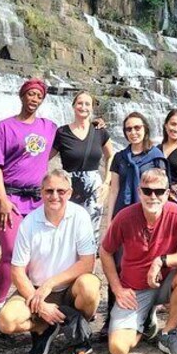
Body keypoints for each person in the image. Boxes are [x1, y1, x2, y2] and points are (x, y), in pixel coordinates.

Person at [0, 169, 101, 354]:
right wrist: (39, 304)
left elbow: (87, 263)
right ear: (41, 192)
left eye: (61, 191)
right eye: (49, 191)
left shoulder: (80, 216)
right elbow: (17, 270)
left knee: (90, 286)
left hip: (69, 288)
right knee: (6, 322)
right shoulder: (29, 223)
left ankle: (75, 324)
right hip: (36, 290)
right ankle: (44, 327)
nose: (55, 196)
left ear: (69, 193)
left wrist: (51, 283)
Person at [100, 168, 177, 354]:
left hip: (164, 283)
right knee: (117, 348)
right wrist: (117, 289)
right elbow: (105, 251)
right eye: (147, 191)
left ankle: (168, 332)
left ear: (167, 193)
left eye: (159, 191)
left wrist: (162, 261)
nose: (152, 196)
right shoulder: (124, 217)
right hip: (134, 290)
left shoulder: (176, 213)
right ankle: (146, 320)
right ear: (139, 192)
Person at [0, 78, 58, 337]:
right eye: (30, 94)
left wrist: (96, 127)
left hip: (37, 201)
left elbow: (73, 138)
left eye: (38, 95)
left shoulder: (49, 127)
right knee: (11, 253)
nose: (34, 98)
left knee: (35, 254)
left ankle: (27, 303)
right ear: (22, 96)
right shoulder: (4, 127)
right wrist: (2, 199)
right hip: (10, 200)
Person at [100, 111, 170, 338]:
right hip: (124, 215)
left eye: (137, 128)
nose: (133, 132)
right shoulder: (120, 157)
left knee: (145, 262)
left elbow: (164, 188)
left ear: (145, 129)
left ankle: (147, 312)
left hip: (149, 215)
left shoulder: (156, 155)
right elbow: (114, 189)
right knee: (119, 264)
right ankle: (112, 314)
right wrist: (110, 220)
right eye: (129, 129)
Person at [50, 90, 114, 241]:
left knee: (91, 233)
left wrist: (106, 182)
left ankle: (88, 264)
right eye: (80, 103)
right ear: (73, 106)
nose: (83, 107)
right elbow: (45, 157)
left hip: (94, 188)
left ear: (92, 108)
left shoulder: (100, 132)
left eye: (87, 104)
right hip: (67, 188)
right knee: (67, 232)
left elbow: (110, 156)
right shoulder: (62, 132)